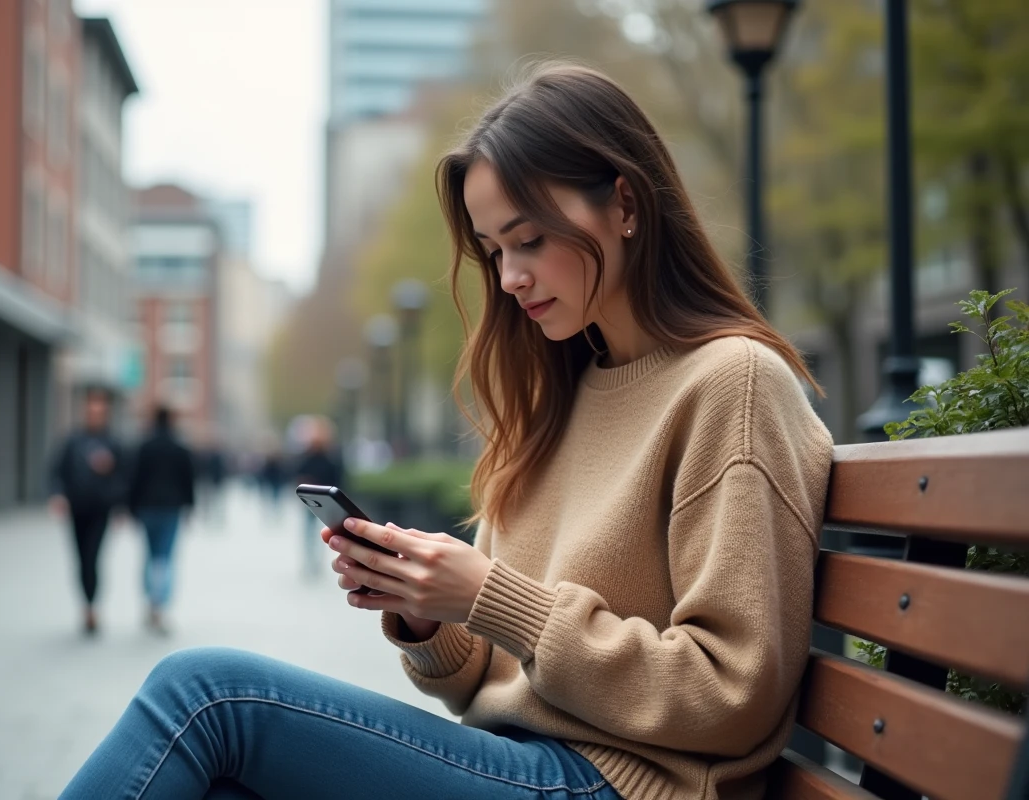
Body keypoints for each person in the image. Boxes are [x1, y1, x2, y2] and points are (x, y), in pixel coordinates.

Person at [60, 63, 834, 800]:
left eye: (529, 240)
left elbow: (733, 693)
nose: (508, 278)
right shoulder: (565, 396)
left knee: (203, 696)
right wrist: (432, 616)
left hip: (619, 784)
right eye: (494, 250)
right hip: (528, 762)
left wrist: (497, 598)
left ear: (625, 206)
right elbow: (484, 685)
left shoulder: (730, 384)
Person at [50, 389, 127, 636]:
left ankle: (93, 608)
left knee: (94, 558)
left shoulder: (113, 443)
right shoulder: (73, 440)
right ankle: (86, 605)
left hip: (100, 510)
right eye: (91, 411)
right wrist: (59, 495)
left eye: (100, 411)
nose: (95, 415)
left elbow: (123, 479)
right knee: (81, 559)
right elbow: (57, 471)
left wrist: (119, 505)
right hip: (77, 509)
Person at [127, 406, 196, 634]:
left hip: (148, 507)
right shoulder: (179, 447)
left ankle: (151, 601)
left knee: (149, 554)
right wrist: (190, 507)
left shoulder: (145, 446)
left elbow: (135, 478)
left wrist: (131, 508)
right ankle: (161, 604)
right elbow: (188, 480)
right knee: (165, 557)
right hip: (171, 508)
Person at [293, 417, 345, 579]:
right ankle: (310, 560)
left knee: (323, 532)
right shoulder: (306, 455)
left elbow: (339, 476)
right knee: (309, 531)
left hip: (326, 499)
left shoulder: (331, 455)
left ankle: (316, 561)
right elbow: (297, 472)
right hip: (310, 498)